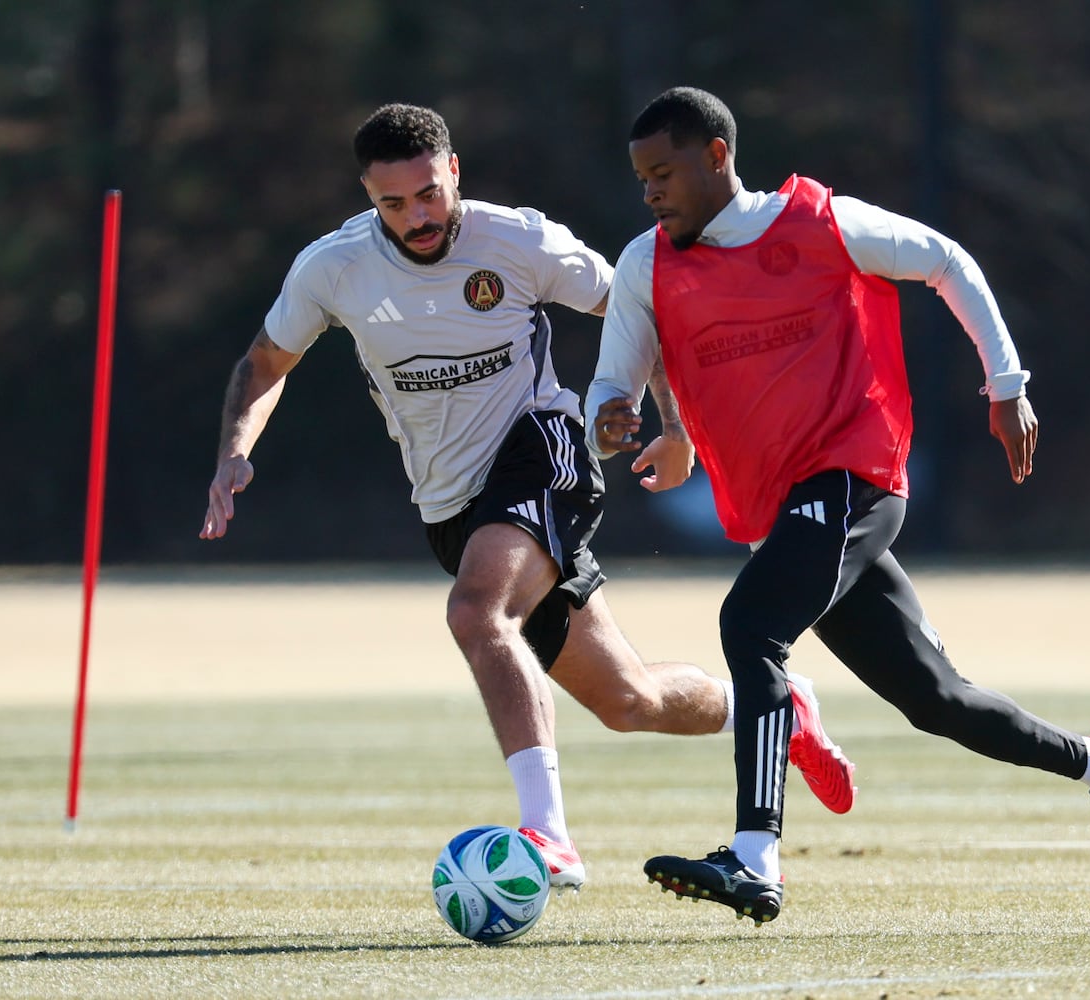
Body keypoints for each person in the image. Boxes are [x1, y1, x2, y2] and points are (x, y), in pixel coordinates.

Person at [198, 103, 857, 892]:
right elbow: (267, 360)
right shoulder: (331, 268)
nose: (416, 218)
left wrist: (677, 423)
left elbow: (645, 309)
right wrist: (235, 452)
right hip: (450, 504)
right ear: (368, 198)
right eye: (392, 204)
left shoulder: (517, 241)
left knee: (477, 612)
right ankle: (779, 708)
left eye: (428, 195)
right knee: (629, 699)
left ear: (454, 175)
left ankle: (548, 838)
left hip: (541, 450)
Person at [586, 87, 1090, 924]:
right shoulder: (646, 263)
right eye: (641, 178)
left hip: (854, 476)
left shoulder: (821, 222)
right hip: (783, 510)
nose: (649, 193)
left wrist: (1006, 385)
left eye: (663, 173)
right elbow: (617, 378)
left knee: (751, 627)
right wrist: (615, 416)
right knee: (938, 701)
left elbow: (945, 259)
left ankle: (755, 856)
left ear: (717, 156)